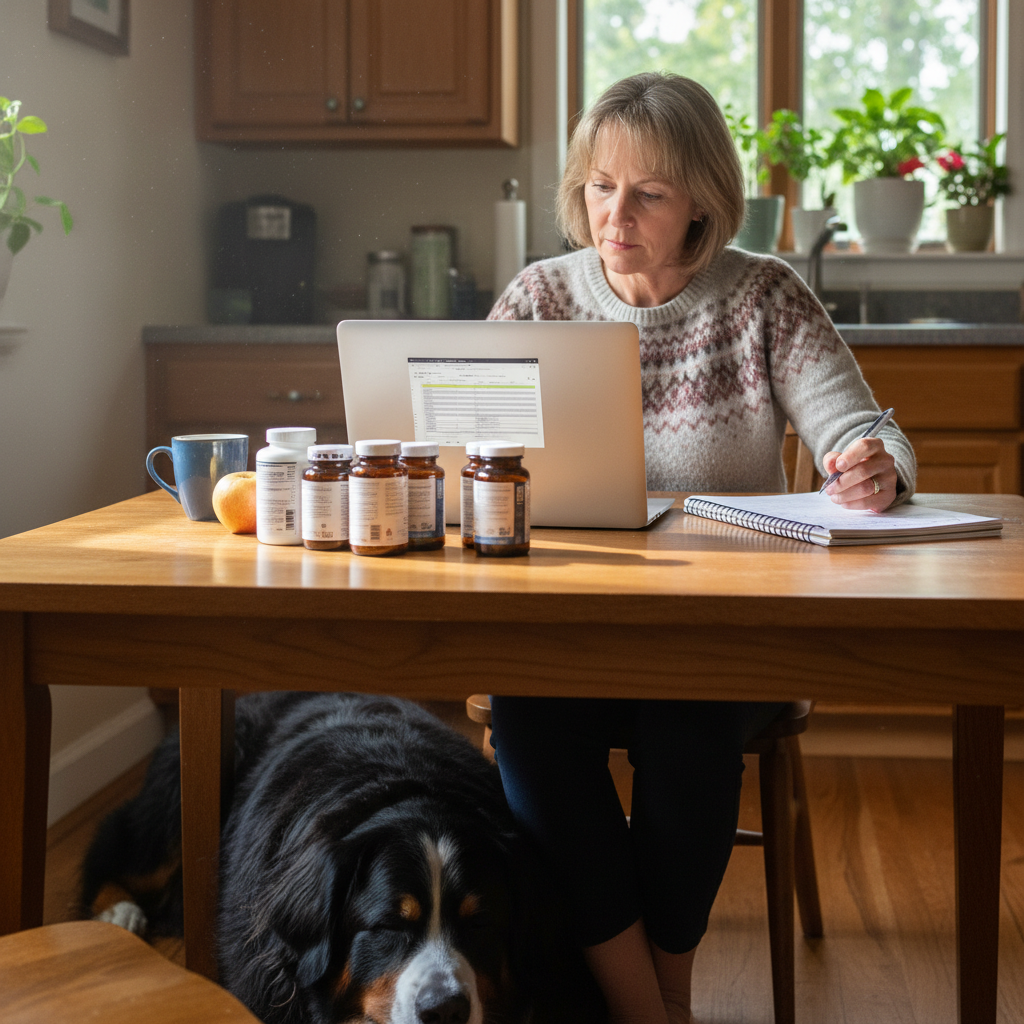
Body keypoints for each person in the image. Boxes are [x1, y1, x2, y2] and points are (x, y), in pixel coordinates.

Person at [486, 72, 916, 1024]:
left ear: (701, 205)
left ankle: (654, 1000)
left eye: (647, 193)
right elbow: (471, 448)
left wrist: (875, 464)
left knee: (687, 739)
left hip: (723, 629)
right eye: (600, 186)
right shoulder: (538, 299)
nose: (615, 213)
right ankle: (652, 1007)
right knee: (526, 728)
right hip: (568, 624)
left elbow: (865, 429)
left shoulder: (763, 297)